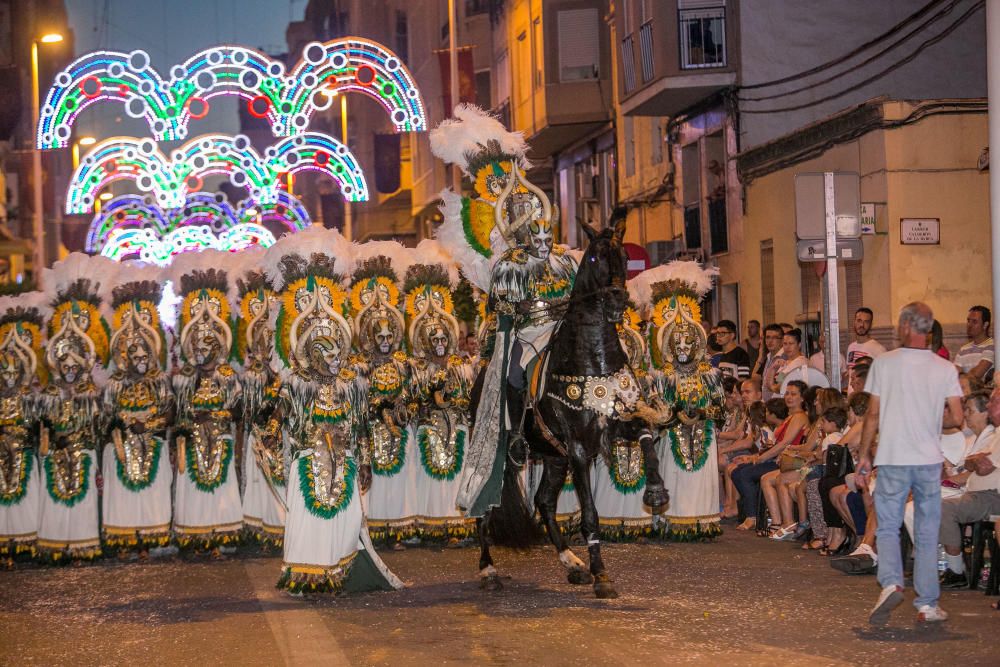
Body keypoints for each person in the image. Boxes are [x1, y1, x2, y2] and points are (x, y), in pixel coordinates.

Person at [857, 301, 963, 626]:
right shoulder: (945, 368)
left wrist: (864, 455)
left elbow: (872, 414)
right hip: (929, 460)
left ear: (904, 326)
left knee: (888, 525)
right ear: (928, 330)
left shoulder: (884, 364)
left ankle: (891, 582)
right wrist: (932, 421)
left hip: (892, 457)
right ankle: (928, 603)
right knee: (928, 531)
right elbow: (957, 417)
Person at [171, 266, 244, 554]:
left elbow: (238, 410)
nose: (202, 354)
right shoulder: (185, 377)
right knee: (194, 489)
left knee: (219, 489)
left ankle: (220, 536)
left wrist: (215, 417)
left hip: (221, 439)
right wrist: (188, 423)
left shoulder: (227, 375)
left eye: (208, 348)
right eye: (197, 349)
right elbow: (176, 413)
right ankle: (196, 536)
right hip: (191, 442)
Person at [101, 279, 175, 558]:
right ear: (124, 355)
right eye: (135, 354)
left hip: (151, 443)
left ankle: (145, 540)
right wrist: (124, 425)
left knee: (149, 491)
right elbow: (106, 416)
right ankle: (123, 541)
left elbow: (169, 412)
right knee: (121, 487)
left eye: (146, 354)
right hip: (123, 446)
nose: (141, 359)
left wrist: (149, 426)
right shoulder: (115, 383)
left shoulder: (158, 381)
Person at [938, 388, 1000, 589]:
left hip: (992, 496)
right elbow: (974, 463)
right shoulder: (994, 434)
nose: (990, 405)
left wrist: (975, 461)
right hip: (978, 494)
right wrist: (975, 461)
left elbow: (982, 467)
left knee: (943, 508)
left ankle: (956, 571)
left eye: (994, 401)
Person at [0, 299, 45, 568]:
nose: (8, 376)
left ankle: (26, 543)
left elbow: (36, 425)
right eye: (4, 372)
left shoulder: (30, 396)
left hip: (23, 455)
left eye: (13, 371)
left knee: (24, 496)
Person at [732, 382, 809, 530]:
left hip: (787, 461)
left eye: (793, 394)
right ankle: (760, 516)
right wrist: (753, 457)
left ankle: (754, 517)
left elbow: (785, 443)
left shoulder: (799, 417)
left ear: (802, 398)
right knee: (737, 471)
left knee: (746, 474)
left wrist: (760, 458)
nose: (789, 397)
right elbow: (776, 444)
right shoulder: (789, 417)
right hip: (778, 458)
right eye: (787, 393)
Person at [954, 306, 993, 383]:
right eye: (968, 321)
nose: (969, 325)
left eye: (974, 322)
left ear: (985, 325)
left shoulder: (992, 345)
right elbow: (953, 374)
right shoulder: (963, 349)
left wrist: (962, 377)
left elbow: (976, 374)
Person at [770, 329, 810, 395]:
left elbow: (778, 387)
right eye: (785, 344)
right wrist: (773, 368)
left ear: (799, 345)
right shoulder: (785, 362)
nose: (787, 347)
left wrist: (773, 386)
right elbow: (772, 384)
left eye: (791, 343)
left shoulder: (800, 362)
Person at [753, 323, 784, 401]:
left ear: (782, 340)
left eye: (774, 338)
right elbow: (754, 380)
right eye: (767, 337)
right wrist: (760, 355)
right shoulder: (768, 357)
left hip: (777, 402)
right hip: (767, 403)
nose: (770, 341)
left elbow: (780, 383)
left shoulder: (784, 358)